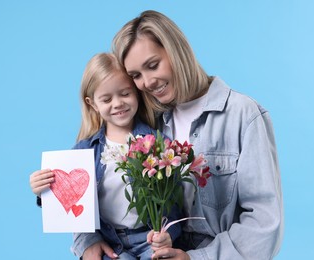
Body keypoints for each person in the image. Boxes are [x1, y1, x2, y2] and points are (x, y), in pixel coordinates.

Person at [84, 10, 284, 259]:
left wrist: (195, 258)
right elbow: (96, 178)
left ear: (176, 50)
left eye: (153, 65)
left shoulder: (243, 115)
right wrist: (86, 238)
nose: (147, 82)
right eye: (135, 75)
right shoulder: (145, 122)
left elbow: (264, 225)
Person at [29, 53, 182, 260]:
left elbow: (173, 200)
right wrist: (42, 191)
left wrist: (167, 235)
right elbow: (68, 199)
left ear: (136, 93)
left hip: (149, 239)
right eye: (107, 99)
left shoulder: (157, 143)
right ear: (92, 104)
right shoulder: (84, 152)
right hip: (110, 243)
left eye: (125, 94)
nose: (118, 103)